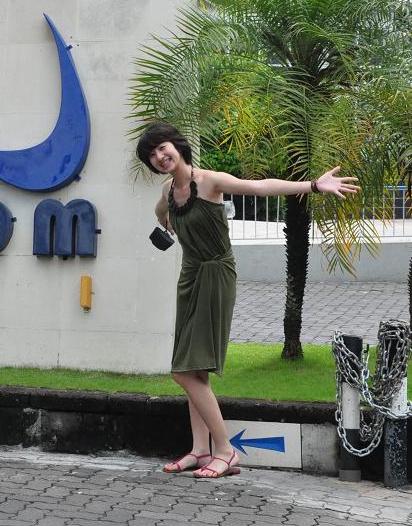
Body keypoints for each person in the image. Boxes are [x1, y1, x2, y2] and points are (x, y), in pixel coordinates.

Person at [135, 122, 359, 479]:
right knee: (195, 368)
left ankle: (226, 451)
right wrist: (167, 225)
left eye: (162, 147)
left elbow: (259, 187)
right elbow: (160, 211)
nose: (159, 156)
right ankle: (200, 449)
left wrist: (314, 185)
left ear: (177, 145)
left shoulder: (209, 181)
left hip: (216, 274)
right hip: (189, 276)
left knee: (183, 371)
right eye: (152, 154)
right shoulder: (168, 190)